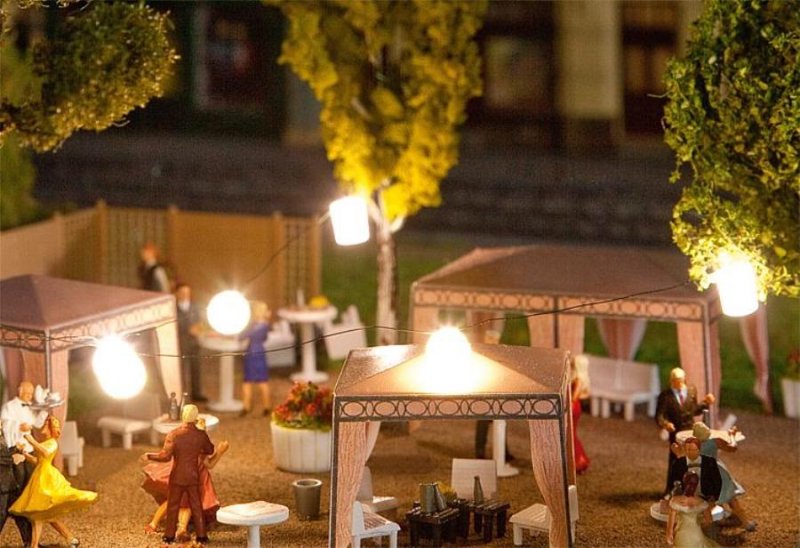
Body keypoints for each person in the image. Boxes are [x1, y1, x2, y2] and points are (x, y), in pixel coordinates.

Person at [9, 415, 97, 548]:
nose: (43, 427)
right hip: (40, 476)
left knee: (38, 516)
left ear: (51, 428)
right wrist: (25, 454)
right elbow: (38, 461)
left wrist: (30, 439)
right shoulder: (45, 443)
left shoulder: (52, 443)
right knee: (46, 516)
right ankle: (71, 539)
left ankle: (35, 546)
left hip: (47, 479)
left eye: (45, 425)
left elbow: (45, 453)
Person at [142, 419, 229, 540]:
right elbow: (167, 455)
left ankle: (180, 528)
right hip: (185, 477)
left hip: (196, 479)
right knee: (174, 503)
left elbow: (209, 464)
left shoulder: (201, 450)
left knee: (185, 505)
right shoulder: (185, 444)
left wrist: (219, 452)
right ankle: (159, 524)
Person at [672, 422, 756, 532]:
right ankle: (745, 523)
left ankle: (700, 527)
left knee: (705, 502)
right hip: (716, 472)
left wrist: (677, 452)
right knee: (730, 499)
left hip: (701, 473)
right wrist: (732, 435)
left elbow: (685, 459)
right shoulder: (715, 441)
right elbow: (733, 447)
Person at [656, 367, 715, 494]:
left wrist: (705, 403)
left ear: (684, 380)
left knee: (693, 458)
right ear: (671, 381)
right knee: (675, 460)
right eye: (676, 381)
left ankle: (693, 487)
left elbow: (694, 410)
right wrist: (666, 424)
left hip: (689, 431)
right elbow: (660, 415)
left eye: (680, 380)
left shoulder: (691, 391)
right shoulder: (665, 396)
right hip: (676, 432)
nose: (678, 383)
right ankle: (671, 488)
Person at [1, 380, 48, 520]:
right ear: (20, 391)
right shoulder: (9, 407)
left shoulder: (30, 407)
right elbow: (3, 423)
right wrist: (18, 427)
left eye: (31, 394)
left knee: (31, 478)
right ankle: (17, 508)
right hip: (16, 449)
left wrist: (44, 409)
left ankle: (27, 508)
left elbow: (37, 424)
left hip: (29, 448)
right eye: (27, 393)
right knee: (19, 479)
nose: (29, 396)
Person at [666, 470, 719, 547]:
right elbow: (709, 520)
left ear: (684, 482)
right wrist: (698, 523)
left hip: (681, 535)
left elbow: (670, 523)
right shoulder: (701, 502)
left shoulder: (675, 500)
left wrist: (669, 534)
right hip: (696, 534)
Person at [667, 436, 722, 510]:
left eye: (693, 450)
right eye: (688, 450)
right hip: (684, 499)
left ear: (699, 450)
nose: (690, 452)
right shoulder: (678, 463)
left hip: (705, 498)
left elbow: (717, 481)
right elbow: (672, 482)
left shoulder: (709, 462)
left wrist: (714, 497)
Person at [0, 422, 32, 547]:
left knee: (19, 511)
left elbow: (4, 453)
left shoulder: (2, 435)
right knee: (1, 513)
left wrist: (16, 449)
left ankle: (30, 542)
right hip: (2, 484)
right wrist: (14, 455)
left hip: (9, 482)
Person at [238, 301, 272, 417]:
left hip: (253, 353)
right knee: (254, 381)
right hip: (258, 352)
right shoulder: (263, 325)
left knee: (256, 381)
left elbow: (243, 336)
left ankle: (258, 406)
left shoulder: (259, 326)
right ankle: (253, 406)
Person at [175, 283, 207, 403]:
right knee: (181, 370)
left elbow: (201, 322)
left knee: (196, 369)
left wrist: (199, 329)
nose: (185, 295)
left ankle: (197, 393)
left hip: (194, 343)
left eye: (187, 293)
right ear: (177, 294)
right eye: (182, 293)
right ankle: (182, 394)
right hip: (180, 343)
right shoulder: (173, 308)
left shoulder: (195, 307)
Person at [570, 356, 590, 474]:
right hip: (576, 406)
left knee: (571, 435)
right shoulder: (583, 378)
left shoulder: (578, 379)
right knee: (571, 434)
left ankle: (580, 460)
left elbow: (574, 396)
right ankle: (578, 460)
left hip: (573, 406)